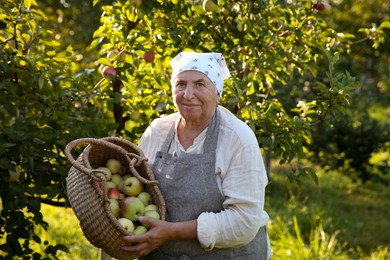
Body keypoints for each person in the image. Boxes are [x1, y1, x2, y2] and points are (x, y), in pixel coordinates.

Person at [122, 51, 271, 259]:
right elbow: (136, 188)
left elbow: (244, 221)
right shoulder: (157, 131)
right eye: (181, 84)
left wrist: (172, 232)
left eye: (200, 84)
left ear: (218, 93)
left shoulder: (237, 138)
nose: (188, 94)